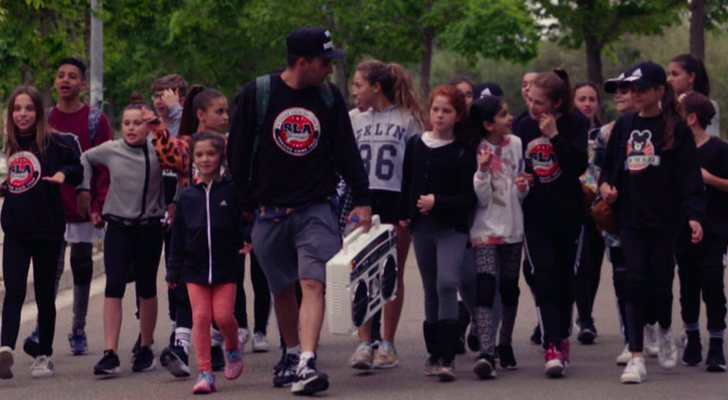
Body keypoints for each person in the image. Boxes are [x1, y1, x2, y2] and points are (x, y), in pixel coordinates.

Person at [227, 26, 371, 396]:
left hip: (316, 207)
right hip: (268, 212)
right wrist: (243, 209)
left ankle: (307, 359)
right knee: (282, 288)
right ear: (303, 62)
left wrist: (362, 198)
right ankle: (290, 353)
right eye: (324, 62)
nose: (329, 69)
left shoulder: (328, 97)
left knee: (312, 281)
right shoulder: (257, 94)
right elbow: (237, 155)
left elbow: (346, 149)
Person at [599, 62, 705, 384]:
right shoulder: (623, 125)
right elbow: (608, 170)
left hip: (664, 221)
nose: (635, 94)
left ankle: (663, 329)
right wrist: (606, 188)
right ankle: (636, 356)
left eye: (642, 89)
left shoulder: (677, 129)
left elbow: (689, 179)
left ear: (660, 91)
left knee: (660, 284)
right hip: (630, 219)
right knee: (633, 282)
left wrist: (694, 216)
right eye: (632, 89)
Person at [80, 102, 182, 377]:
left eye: (137, 123)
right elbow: (85, 158)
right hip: (118, 226)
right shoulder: (111, 149)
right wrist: (85, 191)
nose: (131, 128)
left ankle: (146, 347)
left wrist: (174, 202)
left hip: (149, 226)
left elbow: (180, 165)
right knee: (113, 285)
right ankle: (110, 353)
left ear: (148, 126)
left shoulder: (157, 151)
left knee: (147, 286)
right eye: (126, 123)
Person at [22, 57, 111, 358]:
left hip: (82, 208)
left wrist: (98, 203)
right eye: (60, 75)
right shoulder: (43, 119)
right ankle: (42, 328)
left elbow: (103, 167)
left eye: (72, 76)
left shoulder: (95, 121)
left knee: (83, 266)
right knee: (50, 271)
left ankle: (78, 328)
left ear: (83, 84)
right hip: (48, 210)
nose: (65, 81)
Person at [0, 86, 83, 379]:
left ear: (38, 112)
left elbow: (77, 166)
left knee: (46, 295)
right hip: (15, 230)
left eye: (29, 108)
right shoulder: (8, 145)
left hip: (48, 230)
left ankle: (44, 355)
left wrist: (63, 174)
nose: (22, 114)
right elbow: (14, 180)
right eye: (17, 109)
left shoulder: (55, 143)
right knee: (14, 291)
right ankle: (5, 349)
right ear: (11, 114)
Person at [348, 60, 423, 370]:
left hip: (395, 200)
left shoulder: (408, 119)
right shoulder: (353, 120)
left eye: (358, 85)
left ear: (376, 87)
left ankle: (387, 343)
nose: (353, 91)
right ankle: (365, 342)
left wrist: (410, 207)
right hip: (362, 201)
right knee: (360, 271)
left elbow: (416, 166)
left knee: (391, 272)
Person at [400, 85, 476, 382]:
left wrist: (438, 202)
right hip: (422, 228)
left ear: (458, 116)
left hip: (451, 229)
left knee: (447, 283)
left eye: (447, 111)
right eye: (436, 109)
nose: (440, 115)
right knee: (430, 288)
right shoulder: (416, 144)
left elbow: (469, 198)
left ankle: (448, 354)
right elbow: (408, 183)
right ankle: (434, 352)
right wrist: (406, 212)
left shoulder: (462, 151)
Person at [516, 68, 589, 378]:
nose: (534, 108)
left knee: (564, 279)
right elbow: (516, 163)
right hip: (536, 216)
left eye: (540, 102)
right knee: (543, 278)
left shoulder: (576, 124)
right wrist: (522, 178)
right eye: (531, 101)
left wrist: (555, 136)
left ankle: (562, 336)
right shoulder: (522, 124)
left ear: (557, 104)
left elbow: (577, 166)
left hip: (569, 214)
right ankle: (550, 346)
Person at [167, 132, 246, 394]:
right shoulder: (188, 196)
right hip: (194, 268)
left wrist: (247, 238)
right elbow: (177, 236)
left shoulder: (232, 191)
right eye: (199, 155)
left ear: (221, 156)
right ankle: (205, 372)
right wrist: (173, 270)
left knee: (223, 317)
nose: (205, 159)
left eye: (210, 154)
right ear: (193, 159)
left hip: (226, 266)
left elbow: (243, 222)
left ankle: (232, 346)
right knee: (200, 317)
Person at [468, 95, 528, 378]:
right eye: (504, 115)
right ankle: (486, 350)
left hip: (513, 228)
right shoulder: (475, 148)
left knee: (509, 288)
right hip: (484, 230)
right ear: (488, 124)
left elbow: (520, 188)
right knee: (485, 286)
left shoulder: (516, 144)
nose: (510, 118)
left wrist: (524, 186)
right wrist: (482, 170)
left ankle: (505, 342)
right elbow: (480, 198)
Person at [675, 91, 727, 372]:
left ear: (691, 118)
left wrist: (709, 179)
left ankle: (716, 342)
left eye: (678, 113)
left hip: (715, 229)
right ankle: (692, 336)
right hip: (682, 229)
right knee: (688, 284)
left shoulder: (719, 149)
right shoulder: (676, 150)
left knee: (712, 282)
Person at [596, 70, 641, 365]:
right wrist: (603, 188)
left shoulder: (663, 127)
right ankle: (630, 338)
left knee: (651, 278)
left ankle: (652, 328)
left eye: (626, 88)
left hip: (651, 217)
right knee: (622, 278)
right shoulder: (606, 133)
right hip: (617, 218)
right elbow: (597, 171)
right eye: (617, 90)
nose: (620, 94)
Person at [573, 81, 606, 345]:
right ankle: (554, 319)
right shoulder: (567, 130)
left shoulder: (604, 133)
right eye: (581, 99)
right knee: (573, 263)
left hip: (597, 205)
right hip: (570, 204)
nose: (586, 104)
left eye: (591, 99)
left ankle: (586, 315)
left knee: (592, 263)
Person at [667, 54, 720, 137]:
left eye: (675, 74)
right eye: (668, 74)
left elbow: (710, 139)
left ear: (691, 76)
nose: (669, 79)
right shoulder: (665, 105)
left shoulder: (708, 106)